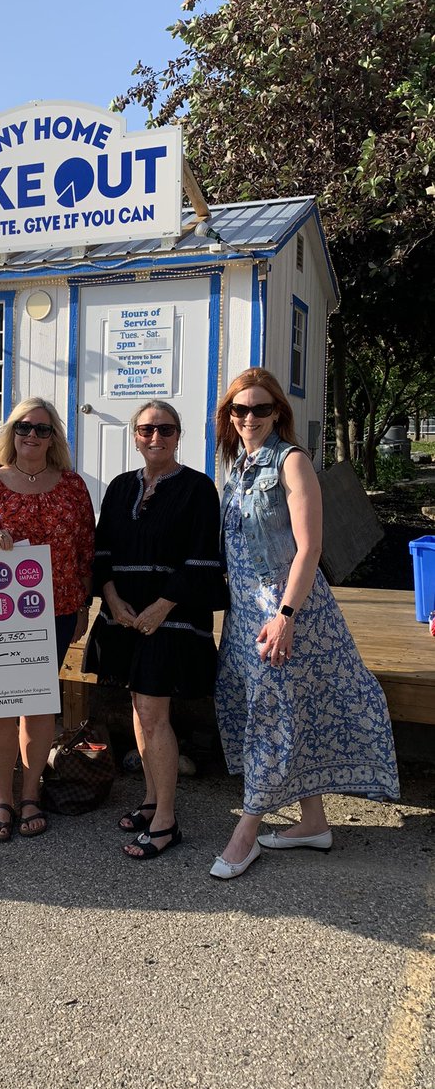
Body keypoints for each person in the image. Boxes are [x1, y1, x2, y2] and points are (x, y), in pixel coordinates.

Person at [211, 368, 400, 879]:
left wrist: (286, 616)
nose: (250, 418)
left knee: (273, 715)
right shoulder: (240, 466)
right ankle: (312, 821)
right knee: (281, 709)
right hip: (247, 610)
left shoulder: (291, 462)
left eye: (261, 409)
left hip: (287, 610)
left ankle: (246, 831)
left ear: (278, 414)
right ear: (229, 417)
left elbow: (310, 548)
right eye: (240, 410)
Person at [85, 401, 228, 860]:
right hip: (124, 614)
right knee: (139, 705)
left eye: (165, 429)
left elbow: (203, 557)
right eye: (147, 429)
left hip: (171, 616)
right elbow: (102, 549)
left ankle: (166, 821)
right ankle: (149, 800)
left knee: (152, 712)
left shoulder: (198, 488)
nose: (156, 437)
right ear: (135, 437)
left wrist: (162, 607)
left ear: (178, 435)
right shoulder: (121, 487)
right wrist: (111, 598)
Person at [0, 398, 95, 841]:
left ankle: (31, 792)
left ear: (53, 436)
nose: (32, 436)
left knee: (38, 703)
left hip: (55, 611)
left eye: (42, 429)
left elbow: (85, 550)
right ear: (11, 432)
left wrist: (82, 607)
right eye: (24, 427)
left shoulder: (73, 486)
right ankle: (3, 796)